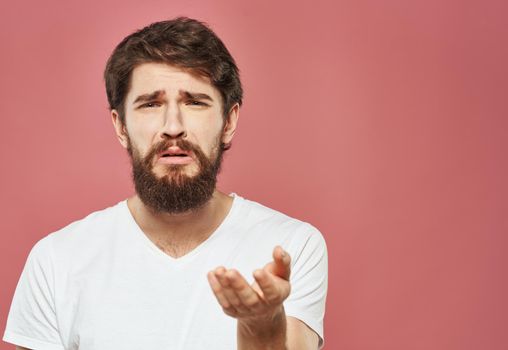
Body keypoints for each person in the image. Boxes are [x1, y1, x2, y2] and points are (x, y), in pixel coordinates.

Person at [3, 17, 328, 350]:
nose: (173, 126)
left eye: (195, 102)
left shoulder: (292, 245)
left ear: (229, 121)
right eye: (150, 104)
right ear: (121, 126)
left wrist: (261, 326)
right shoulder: (56, 260)